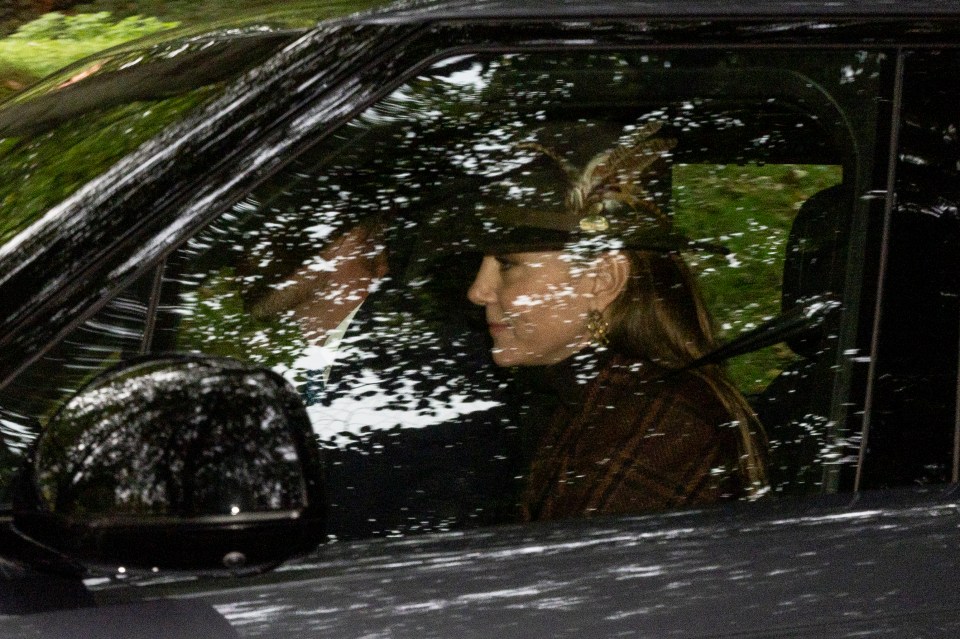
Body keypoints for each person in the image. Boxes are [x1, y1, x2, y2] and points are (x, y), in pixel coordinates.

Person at [466, 122, 768, 521]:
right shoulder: (596, 399)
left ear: (603, 279)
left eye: (507, 264)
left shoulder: (659, 422)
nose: (477, 290)